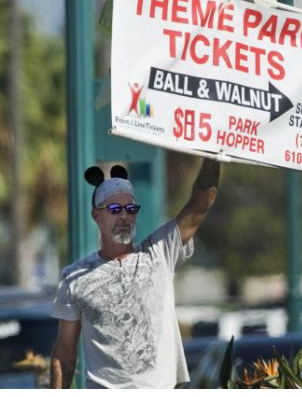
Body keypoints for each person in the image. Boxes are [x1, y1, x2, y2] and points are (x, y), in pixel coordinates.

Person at [49, 158, 220, 388]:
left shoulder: (160, 252)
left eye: (130, 209)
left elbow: (200, 205)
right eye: (114, 209)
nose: (124, 216)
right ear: (96, 215)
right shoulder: (74, 277)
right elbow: (65, 353)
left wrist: (214, 156)